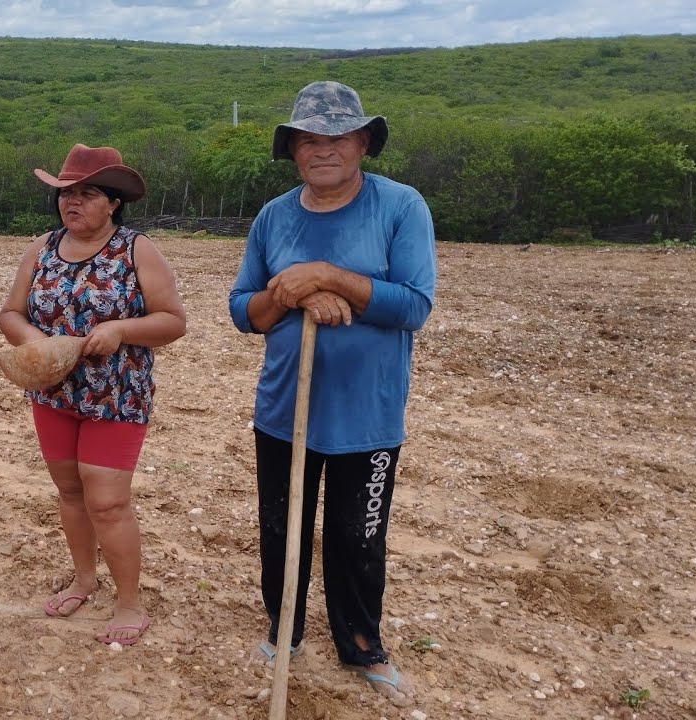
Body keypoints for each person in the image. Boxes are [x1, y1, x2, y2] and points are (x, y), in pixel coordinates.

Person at [228, 81, 436, 706]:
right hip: (284, 408)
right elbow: (245, 309)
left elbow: (414, 305)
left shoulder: (400, 207)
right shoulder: (274, 216)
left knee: (358, 534)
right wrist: (288, 293)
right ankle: (284, 628)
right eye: (309, 139)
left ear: (363, 143)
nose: (323, 149)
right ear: (293, 150)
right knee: (280, 526)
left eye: (338, 137)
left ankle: (360, 644)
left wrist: (328, 277)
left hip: (367, 414)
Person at [0, 144, 187, 645]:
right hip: (53, 394)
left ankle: (129, 603)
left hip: (117, 397)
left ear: (114, 203)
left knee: (107, 503)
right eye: (66, 193)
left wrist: (123, 330)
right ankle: (84, 579)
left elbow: (173, 321)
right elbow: (10, 314)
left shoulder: (135, 250)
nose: (72, 202)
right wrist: (36, 343)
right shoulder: (41, 248)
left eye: (86, 193)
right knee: (70, 493)